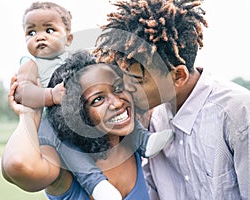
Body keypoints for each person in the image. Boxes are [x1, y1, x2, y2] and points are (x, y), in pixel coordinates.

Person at [11, 2, 173, 199]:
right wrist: (36, 107)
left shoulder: (79, 59)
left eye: (50, 30)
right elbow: (19, 163)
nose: (40, 37)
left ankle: (145, 141)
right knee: (69, 150)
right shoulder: (30, 65)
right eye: (31, 33)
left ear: (68, 38)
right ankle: (96, 184)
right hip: (53, 121)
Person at [94, 0, 250, 199]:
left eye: (137, 81)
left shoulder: (239, 114)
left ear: (178, 76)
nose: (126, 90)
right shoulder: (151, 121)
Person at [2, 50, 152, 199]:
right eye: (98, 99)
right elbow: (18, 164)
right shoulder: (63, 166)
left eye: (118, 88)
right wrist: (29, 114)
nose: (118, 103)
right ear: (78, 113)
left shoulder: (138, 141)